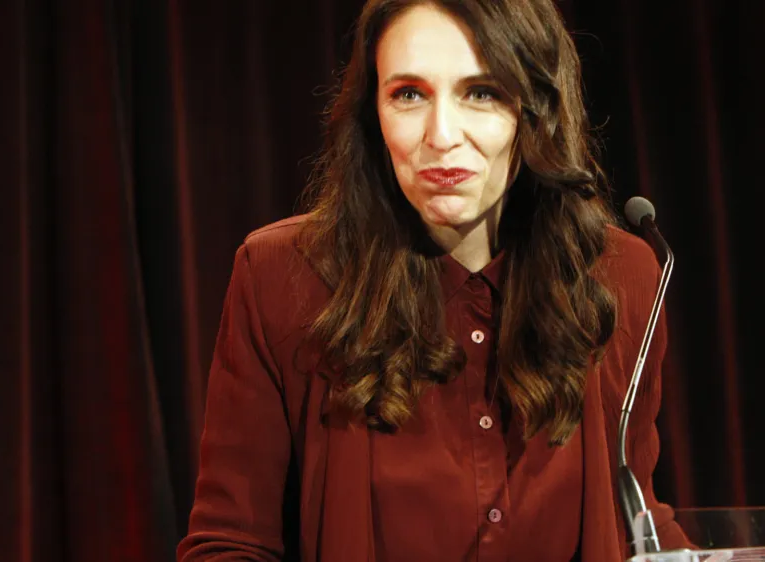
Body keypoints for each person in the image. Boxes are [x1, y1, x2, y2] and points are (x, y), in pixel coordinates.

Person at [177, 0, 690, 560]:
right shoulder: (280, 276)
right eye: (409, 94)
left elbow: (635, 516)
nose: (442, 135)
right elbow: (230, 543)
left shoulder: (622, 276)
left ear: (536, 108)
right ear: (373, 113)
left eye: (482, 92)